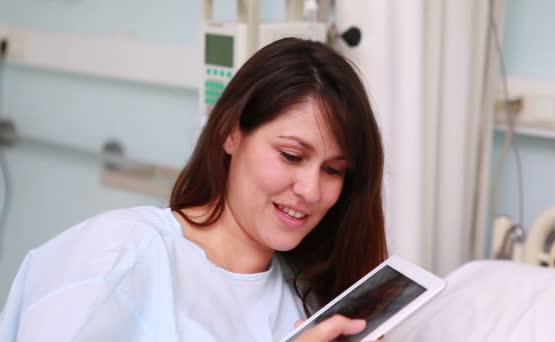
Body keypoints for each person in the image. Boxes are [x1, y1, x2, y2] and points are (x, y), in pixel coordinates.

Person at [0, 37, 387, 341]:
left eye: (334, 170)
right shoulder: (119, 255)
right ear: (230, 133)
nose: (310, 189)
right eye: (290, 155)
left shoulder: (307, 304)